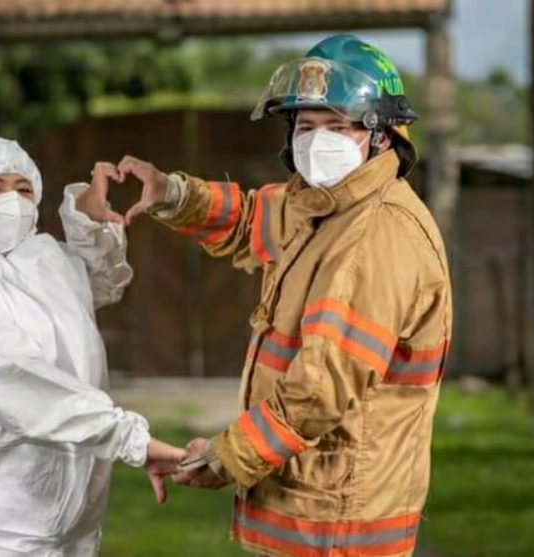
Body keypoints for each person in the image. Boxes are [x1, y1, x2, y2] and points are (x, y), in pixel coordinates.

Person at [116, 35, 453, 557]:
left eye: (337, 126)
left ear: (381, 137)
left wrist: (228, 457)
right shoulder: (326, 207)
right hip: (310, 514)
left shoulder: (374, 237)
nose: (317, 141)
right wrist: (172, 193)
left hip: (340, 525)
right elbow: (253, 217)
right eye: (306, 125)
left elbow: (319, 390)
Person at [0, 137, 185, 557]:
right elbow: (21, 384)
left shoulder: (43, 264)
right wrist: (131, 439)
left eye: (24, 188)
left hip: (69, 525)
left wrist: (86, 218)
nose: (11, 200)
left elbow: (102, 281)